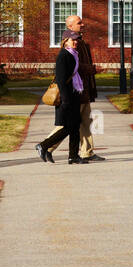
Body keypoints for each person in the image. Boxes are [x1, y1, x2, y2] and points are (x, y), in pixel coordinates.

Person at [42, 14, 103, 161]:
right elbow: (76, 67)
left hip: (83, 89)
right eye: (79, 23)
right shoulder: (71, 45)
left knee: (85, 122)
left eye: (82, 22)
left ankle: (86, 152)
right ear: (70, 27)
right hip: (76, 91)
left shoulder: (79, 41)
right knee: (69, 125)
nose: (82, 25)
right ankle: (46, 146)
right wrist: (92, 69)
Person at [36, 32, 87, 164]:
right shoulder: (63, 55)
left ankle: (73, 156)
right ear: (65, 41)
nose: (75, 42)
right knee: (69, 127)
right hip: (66, 97)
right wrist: (65, 99)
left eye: (77, 40)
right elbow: (60, 79)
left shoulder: (74, 55)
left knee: (75, 126)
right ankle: (43, 145)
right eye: (73, 40)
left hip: (74, 94)